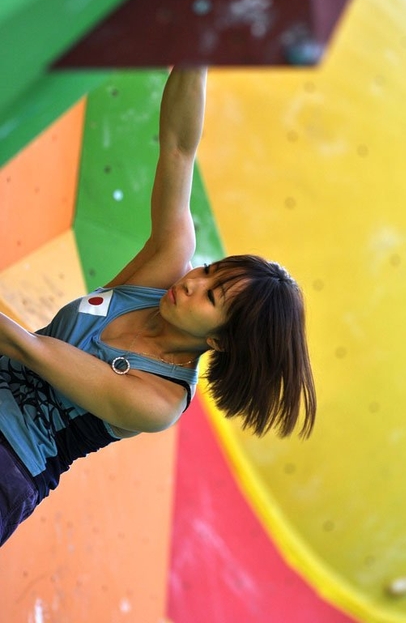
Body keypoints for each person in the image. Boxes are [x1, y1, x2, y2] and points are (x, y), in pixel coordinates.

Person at [0, 67, 316, 547]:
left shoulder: (159, 401)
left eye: (211, 296)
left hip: (10, 466)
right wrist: (197, 48)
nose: (193, 280)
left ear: (218, 340)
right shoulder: (164, 268)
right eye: (209, 271)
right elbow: (178, 148)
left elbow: (31, 351)